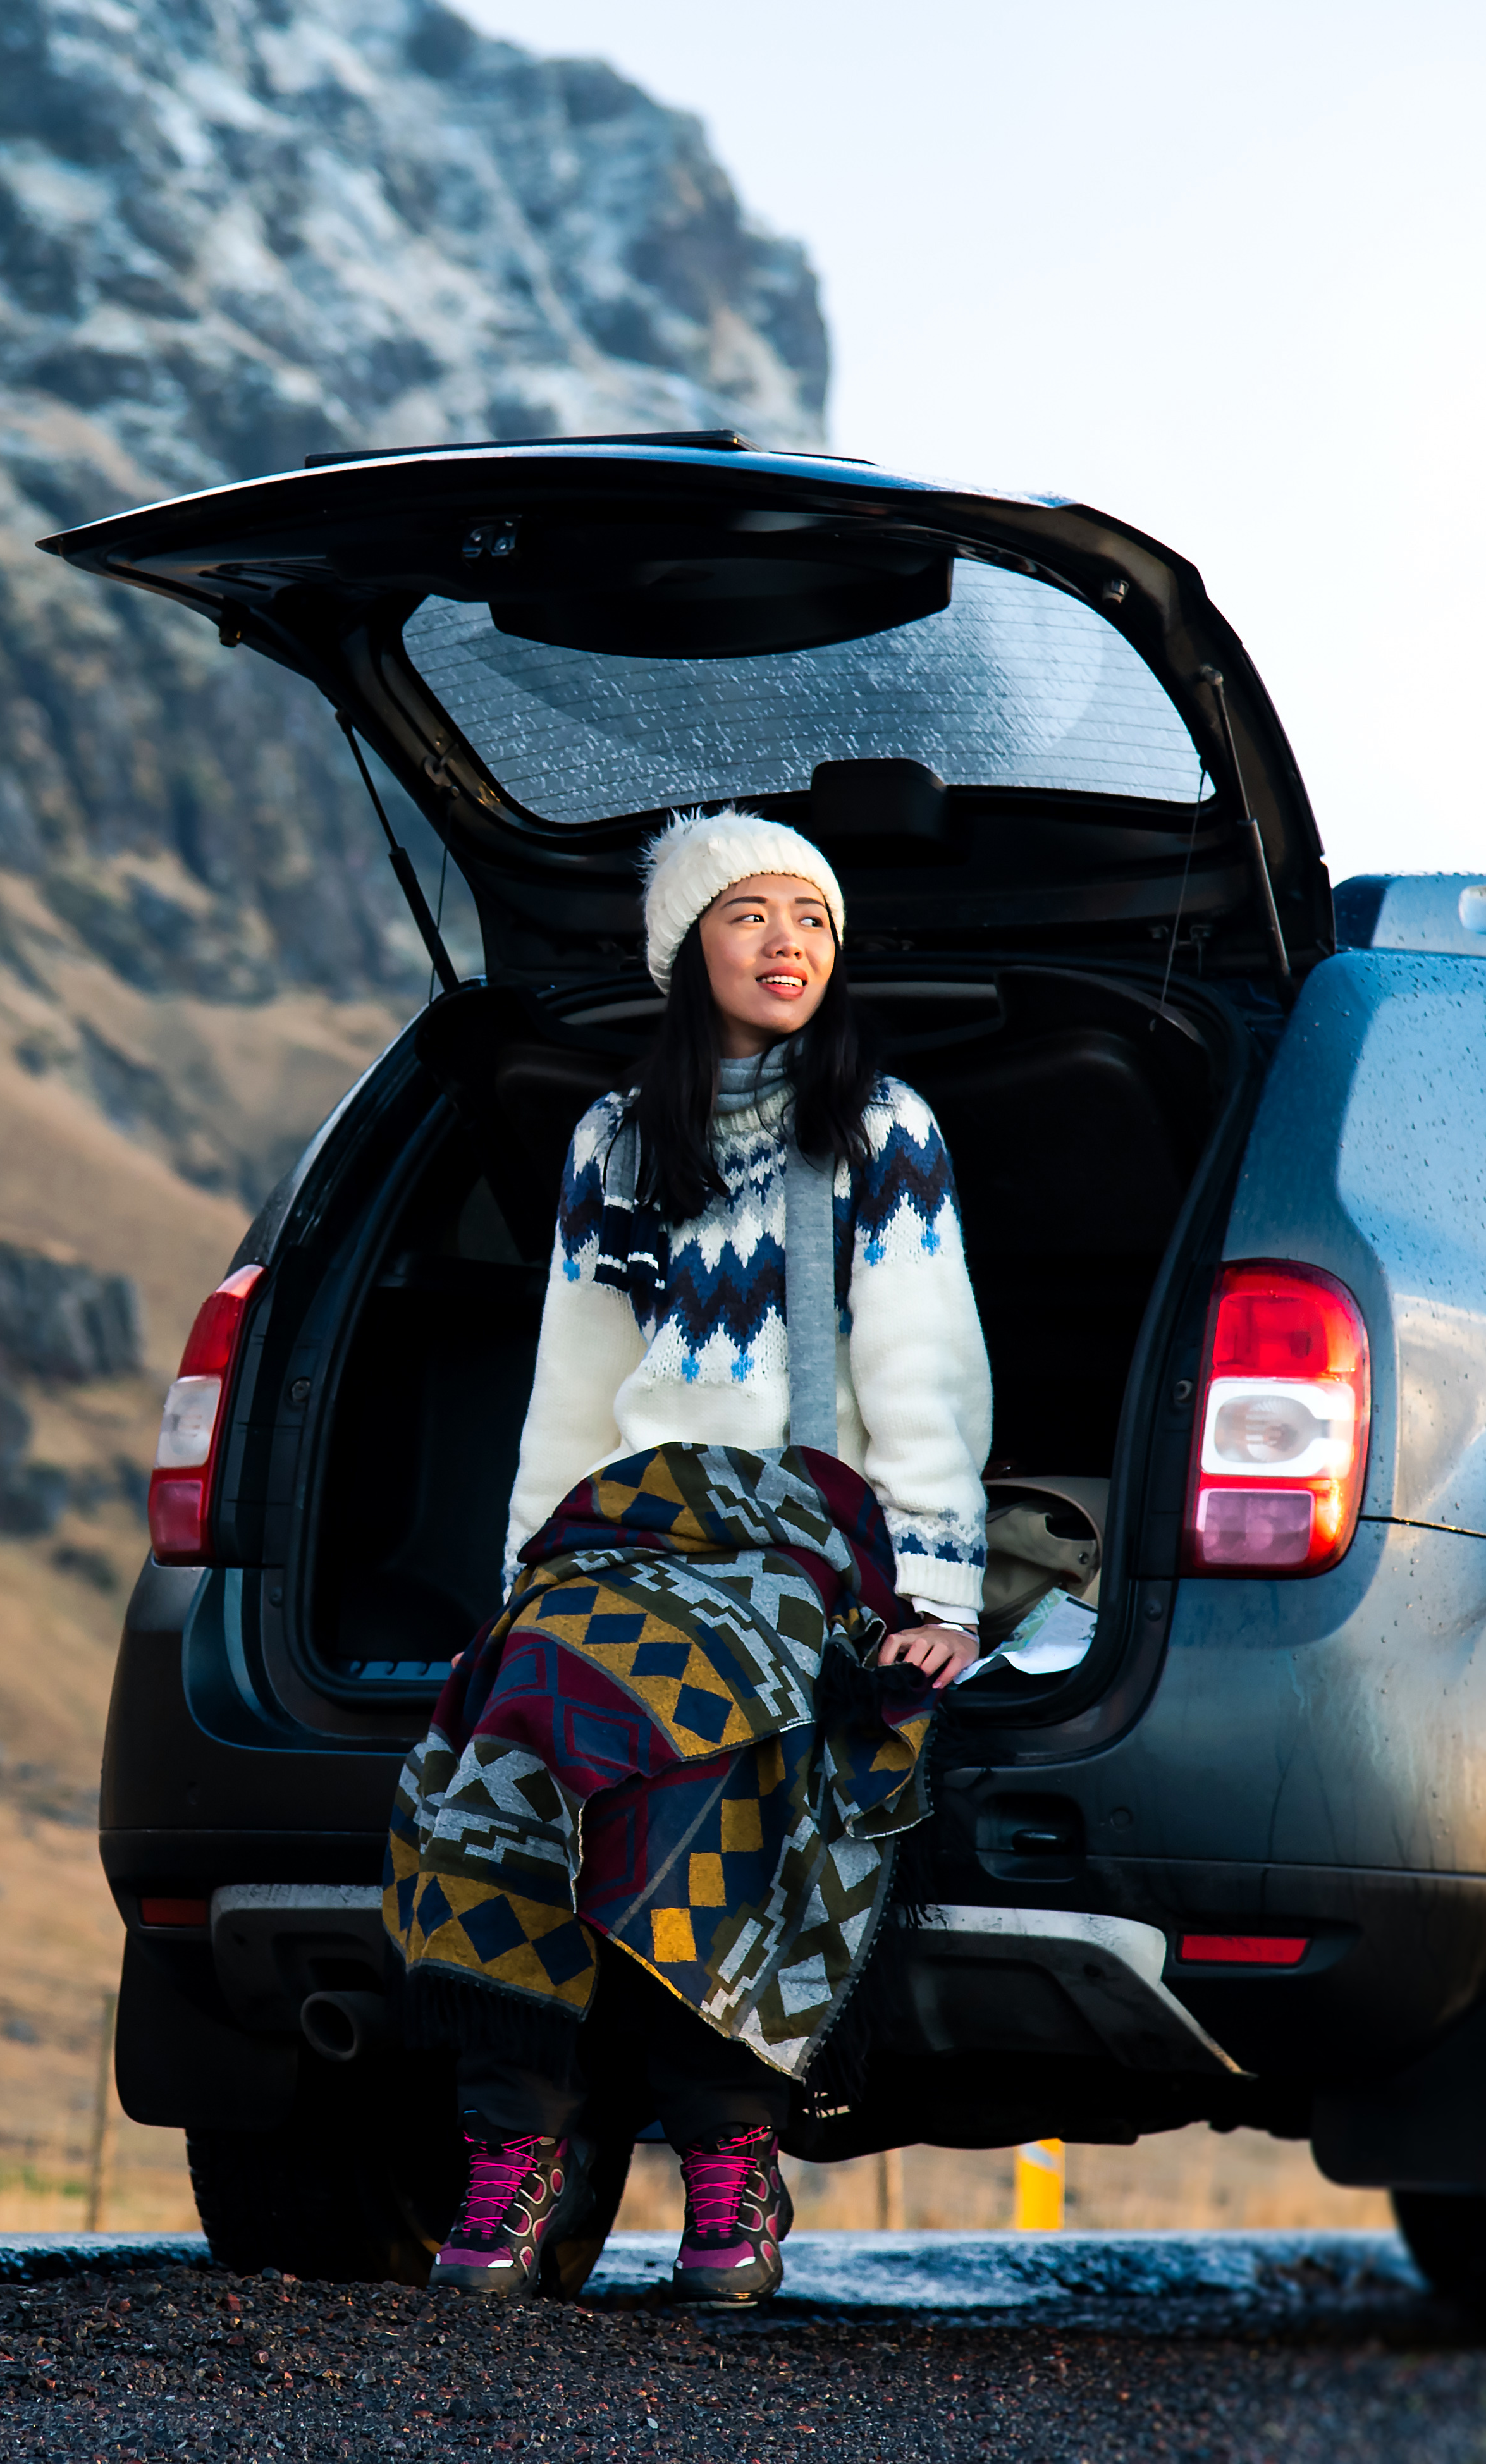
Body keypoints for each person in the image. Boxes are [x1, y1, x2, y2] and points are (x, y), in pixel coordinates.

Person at [383, 806, 991, 2305]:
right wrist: (532, 1570)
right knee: (510, 1723)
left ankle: (732, 2148)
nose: (788, 943)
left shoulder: (882, 1129)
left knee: (712, 1734)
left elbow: (926, 1368)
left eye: (813, 920)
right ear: (686, 948)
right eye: (751, 914)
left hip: (806, 1524)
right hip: (631, 1517)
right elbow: (575, 1375)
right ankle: (514, 2140)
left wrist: (939, 1595)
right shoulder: (613, 1138)